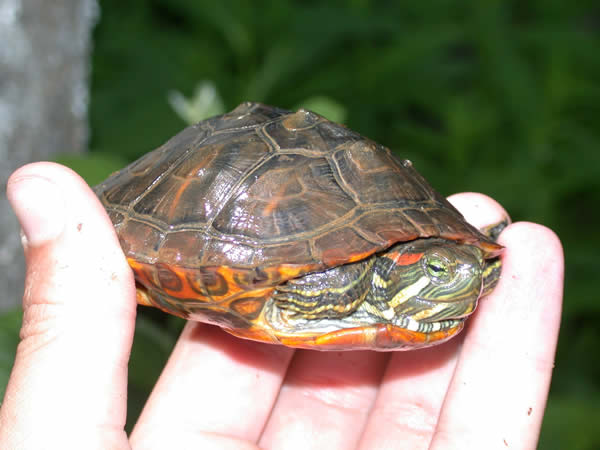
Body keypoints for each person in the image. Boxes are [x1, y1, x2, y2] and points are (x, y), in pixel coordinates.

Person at [0, 162, 563, 449]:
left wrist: (461, 253)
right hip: (216, 226)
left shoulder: (410, 283)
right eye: (439, 270)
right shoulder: (320, 281)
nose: (462, 278)